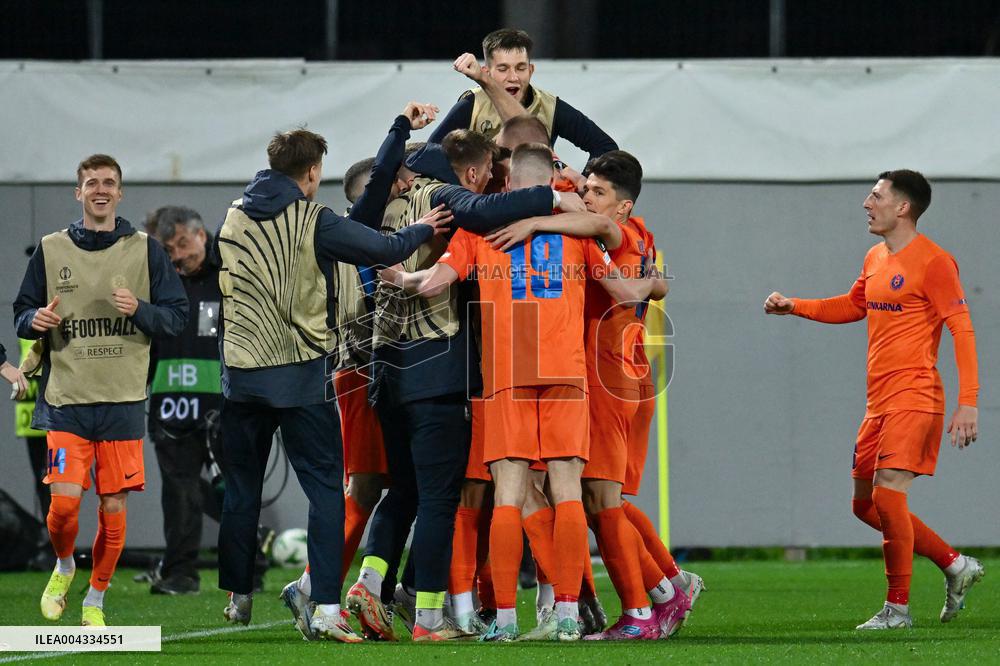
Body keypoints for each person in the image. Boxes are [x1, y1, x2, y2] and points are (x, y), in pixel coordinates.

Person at [382, 142, 668, 642]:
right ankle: (565, 614)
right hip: (567, 374)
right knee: (566, 493)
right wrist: (657, 281)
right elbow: (625, 292)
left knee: (509, 495)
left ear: (512, 186)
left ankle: (507, 619)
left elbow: (432, 283)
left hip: (507, 377)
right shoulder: (578, 236)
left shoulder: (479, 230)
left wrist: (394, 275)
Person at [216, 123, 448, 643]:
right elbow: (384, 248)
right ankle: (323, 607)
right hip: (299, 374)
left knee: (241, 489)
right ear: (313, 171)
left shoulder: (232, 214)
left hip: (241, 377)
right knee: (325, 492)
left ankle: (239, 593)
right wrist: (425, 227)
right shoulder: (313, 218)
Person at [347, 129, 572, 642]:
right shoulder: (448, 204)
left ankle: (369, 580)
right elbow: (453, 260)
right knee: (445, 499)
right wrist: (555, 196)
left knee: (401, 489)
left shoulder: (380, 211)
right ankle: (432, 617)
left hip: (385, 368)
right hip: (443, 372)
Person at [764, 169, 982, 630]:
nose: (867, 202)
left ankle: (897, 609)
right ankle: (954, 564)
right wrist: (795, 306)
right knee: (864, 506)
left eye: (876, 195)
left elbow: (962, 329)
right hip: (877, 402)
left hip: (916, 395)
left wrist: (969, 401)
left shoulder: (936, 262)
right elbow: (853, 304)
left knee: (888, 492)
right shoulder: (874, 257)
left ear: (903, 207)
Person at [279, 102, 437, 641]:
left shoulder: (347, 233)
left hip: (362, 370)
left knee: (385, 483)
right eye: (401, 181)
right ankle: (312, 585)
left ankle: (367, 584)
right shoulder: (360, 237)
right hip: (361, 372)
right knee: (368, 485)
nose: (408, 186)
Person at [13, 154, 188, 627]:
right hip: (66, 400)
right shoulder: (51, 249)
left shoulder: (146, 250)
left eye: (109, 182)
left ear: (120, 192)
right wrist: (35, 320)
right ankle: (66, 563)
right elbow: (21, 311)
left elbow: (177, 317)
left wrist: (140, 310)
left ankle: (95, 598)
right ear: (79, 193)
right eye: (92, 182)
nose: (100, 189)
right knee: (63, 507)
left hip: (124, 401)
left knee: (113, 509)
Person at [143, 205, 247, 596]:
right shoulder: (156, 284)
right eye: (169, 249)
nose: (178, 255)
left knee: (232, 490)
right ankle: (181, 574)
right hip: (171, 407)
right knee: (180, 491)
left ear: (202, 235)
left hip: (226, 405)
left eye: (183, 244)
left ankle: (247, 565)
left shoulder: (231, 275)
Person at [431, 28, 617, 161]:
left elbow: (605, 148)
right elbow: (429, 153)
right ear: (486, 72)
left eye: (520, 68)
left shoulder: (551, 107)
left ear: (531, 70)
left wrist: (585, 187)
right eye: (503, 69)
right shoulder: (471, 105)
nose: (513, 77)